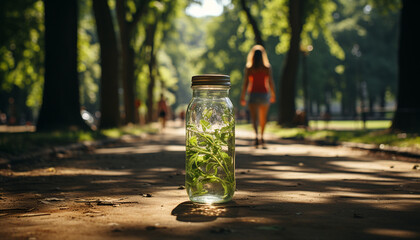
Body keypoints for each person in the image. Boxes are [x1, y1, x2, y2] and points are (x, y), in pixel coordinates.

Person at [240, 45, 276, 148]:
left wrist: (242, 96)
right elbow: (270, 83)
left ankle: (256, 137)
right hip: (264, 94)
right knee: (263, 118)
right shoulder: (267, 68)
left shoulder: (249, 68)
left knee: (254, 118)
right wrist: (273, 94)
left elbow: (246, 83)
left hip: (253, 94)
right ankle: (262, 137)